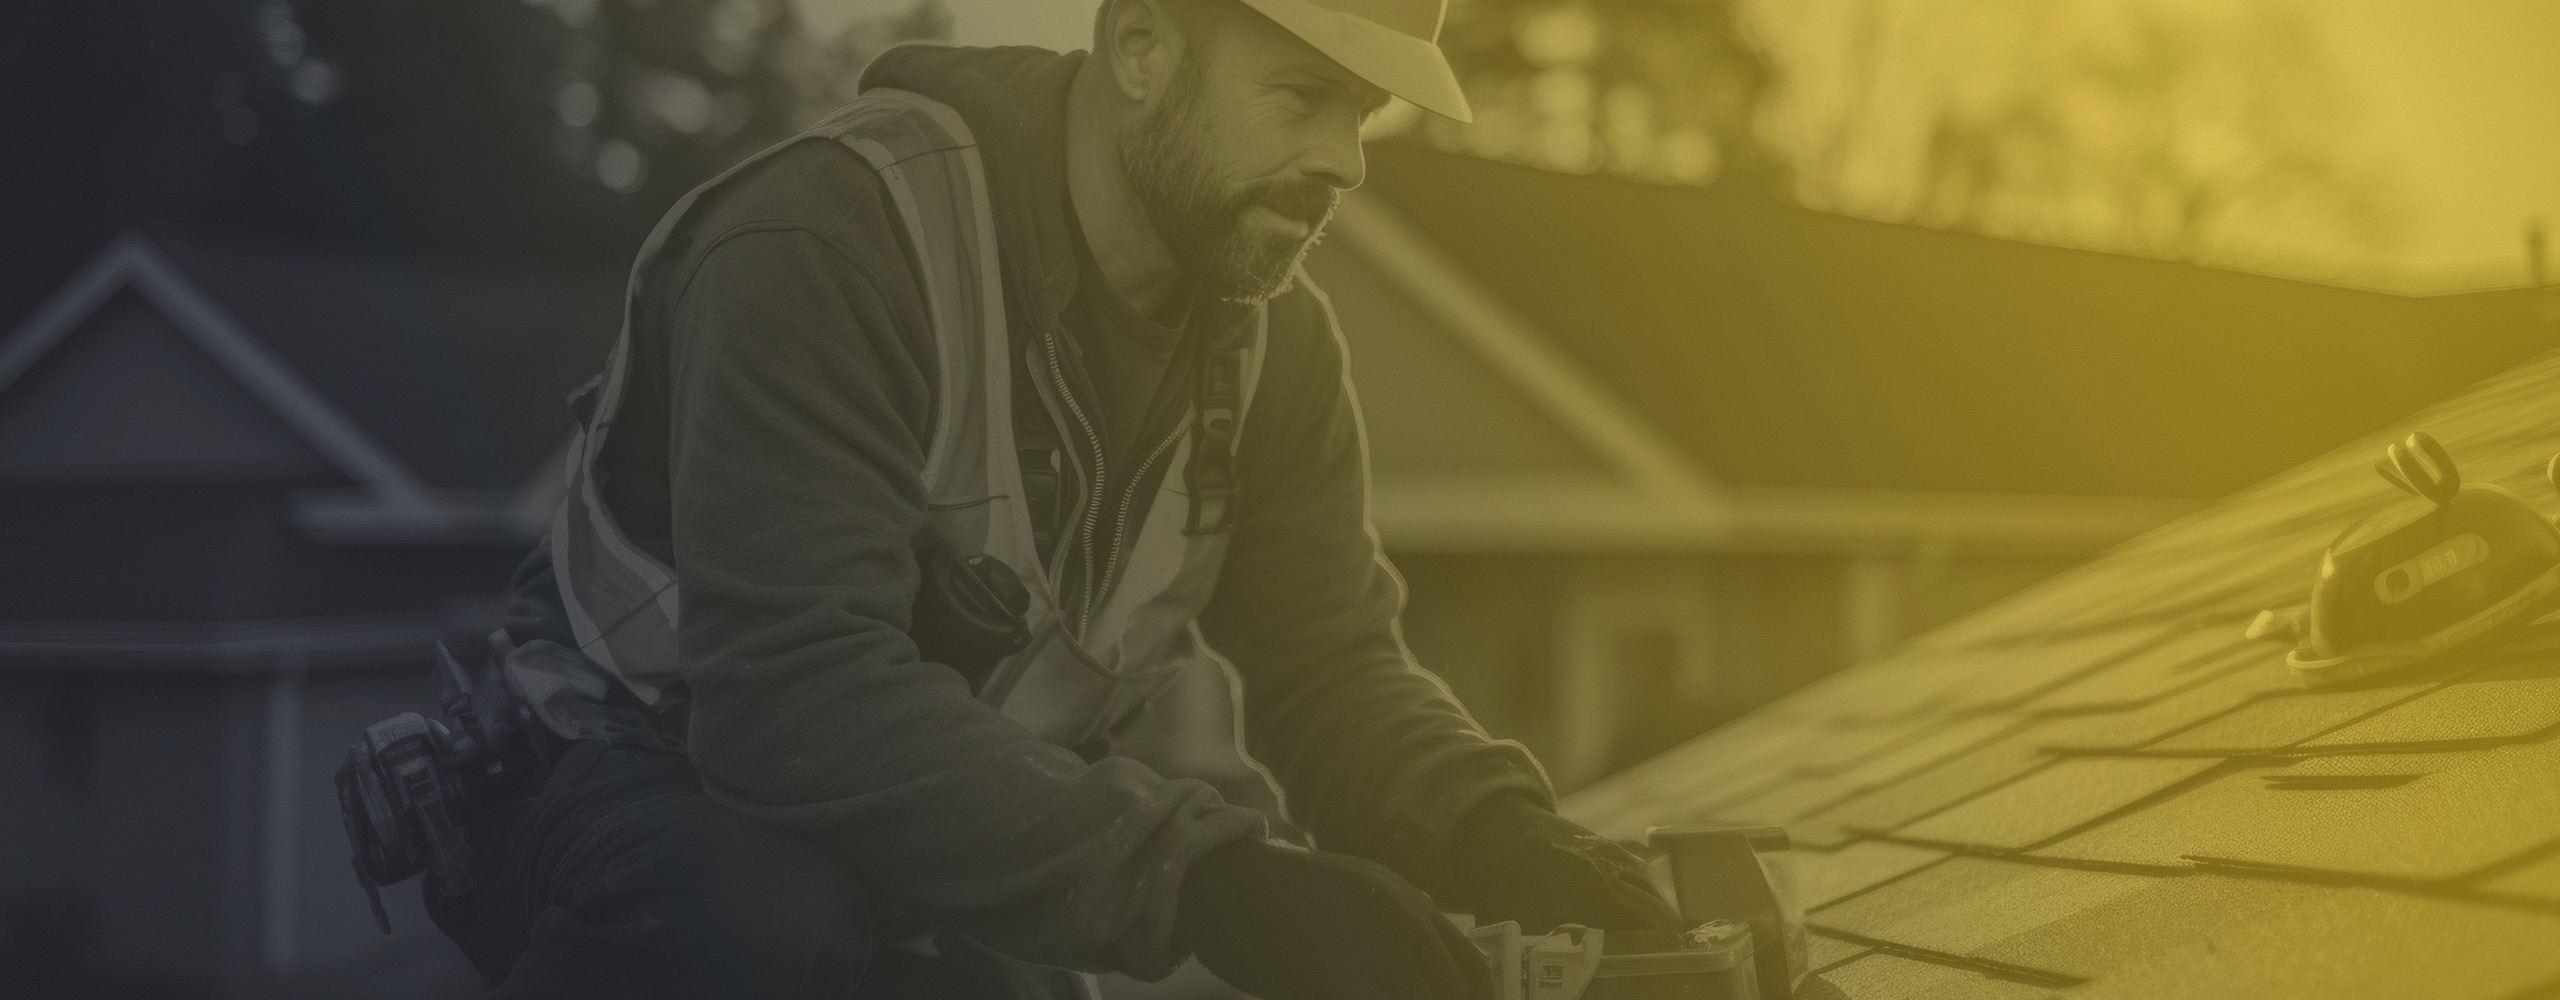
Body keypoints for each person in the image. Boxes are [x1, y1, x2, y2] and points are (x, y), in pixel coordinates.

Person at [427, 0, 1680, 997]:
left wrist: (1483, 828)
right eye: (1302, 97)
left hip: (937, 807)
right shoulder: (830, 241)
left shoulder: (1271, 347)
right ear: (1139, 44)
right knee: (757, 922)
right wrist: (1213, 882)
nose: (1343, 164)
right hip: (630, 770)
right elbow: (791, 691)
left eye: (1363, 116)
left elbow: (1328, 661)